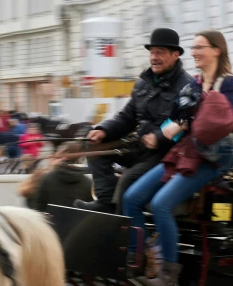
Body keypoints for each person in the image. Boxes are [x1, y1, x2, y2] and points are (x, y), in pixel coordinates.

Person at [123, 30, 233, 286]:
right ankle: (137, 263)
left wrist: (183, 123)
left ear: (217, 50)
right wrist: (161, 132)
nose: (195, 52)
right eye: (194, 47)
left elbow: (220, 123)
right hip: (185, 152)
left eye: (201, 47)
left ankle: (167, 279)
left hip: (211, 158)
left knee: (160, 204)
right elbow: (174, 122)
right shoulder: (194, 85)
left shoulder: (228, 84)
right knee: (132, 197)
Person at [79, 28, 194, 213]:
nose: (154, 57)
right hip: (139, 147)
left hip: (163, 154)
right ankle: (105, 202)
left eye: (160, 52)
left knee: (127, 181)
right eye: (152, 52)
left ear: (175, 55)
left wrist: (158, 138)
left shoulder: (187, 87)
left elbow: (182, 122)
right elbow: (127, 116)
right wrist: (103, 130)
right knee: (93, 145)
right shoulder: (143, 83)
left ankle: (119, 230)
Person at [33, 143, 94, 212]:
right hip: (79, 222)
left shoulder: (46, 178)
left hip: (52, 221)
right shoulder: (88, 182)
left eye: (56, 157)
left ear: (63, 157)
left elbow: (39, 209)